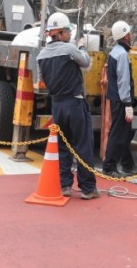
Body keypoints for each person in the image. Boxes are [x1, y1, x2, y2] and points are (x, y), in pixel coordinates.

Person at [36, 11, 99, 200]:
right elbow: (86, 63)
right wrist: (82, 47)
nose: (70, 34)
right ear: (60, 33)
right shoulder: (69, 49)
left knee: (62, 146)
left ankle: (64, 185)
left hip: (57, 105)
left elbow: (42, 82)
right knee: (83, 145)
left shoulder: (40, 56)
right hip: (75, 103)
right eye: (67, 31)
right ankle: (88, 188)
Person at [102, 19, 136, 178]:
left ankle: (128, 164)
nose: (131, 35)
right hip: (121, 100)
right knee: (119, 133)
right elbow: (123, 80)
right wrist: (128, 102)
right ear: (125, 36)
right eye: (129, 33)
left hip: (116, 98)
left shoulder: (115, 52)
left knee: (124, 133)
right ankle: (109, 166)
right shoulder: (122, 55)